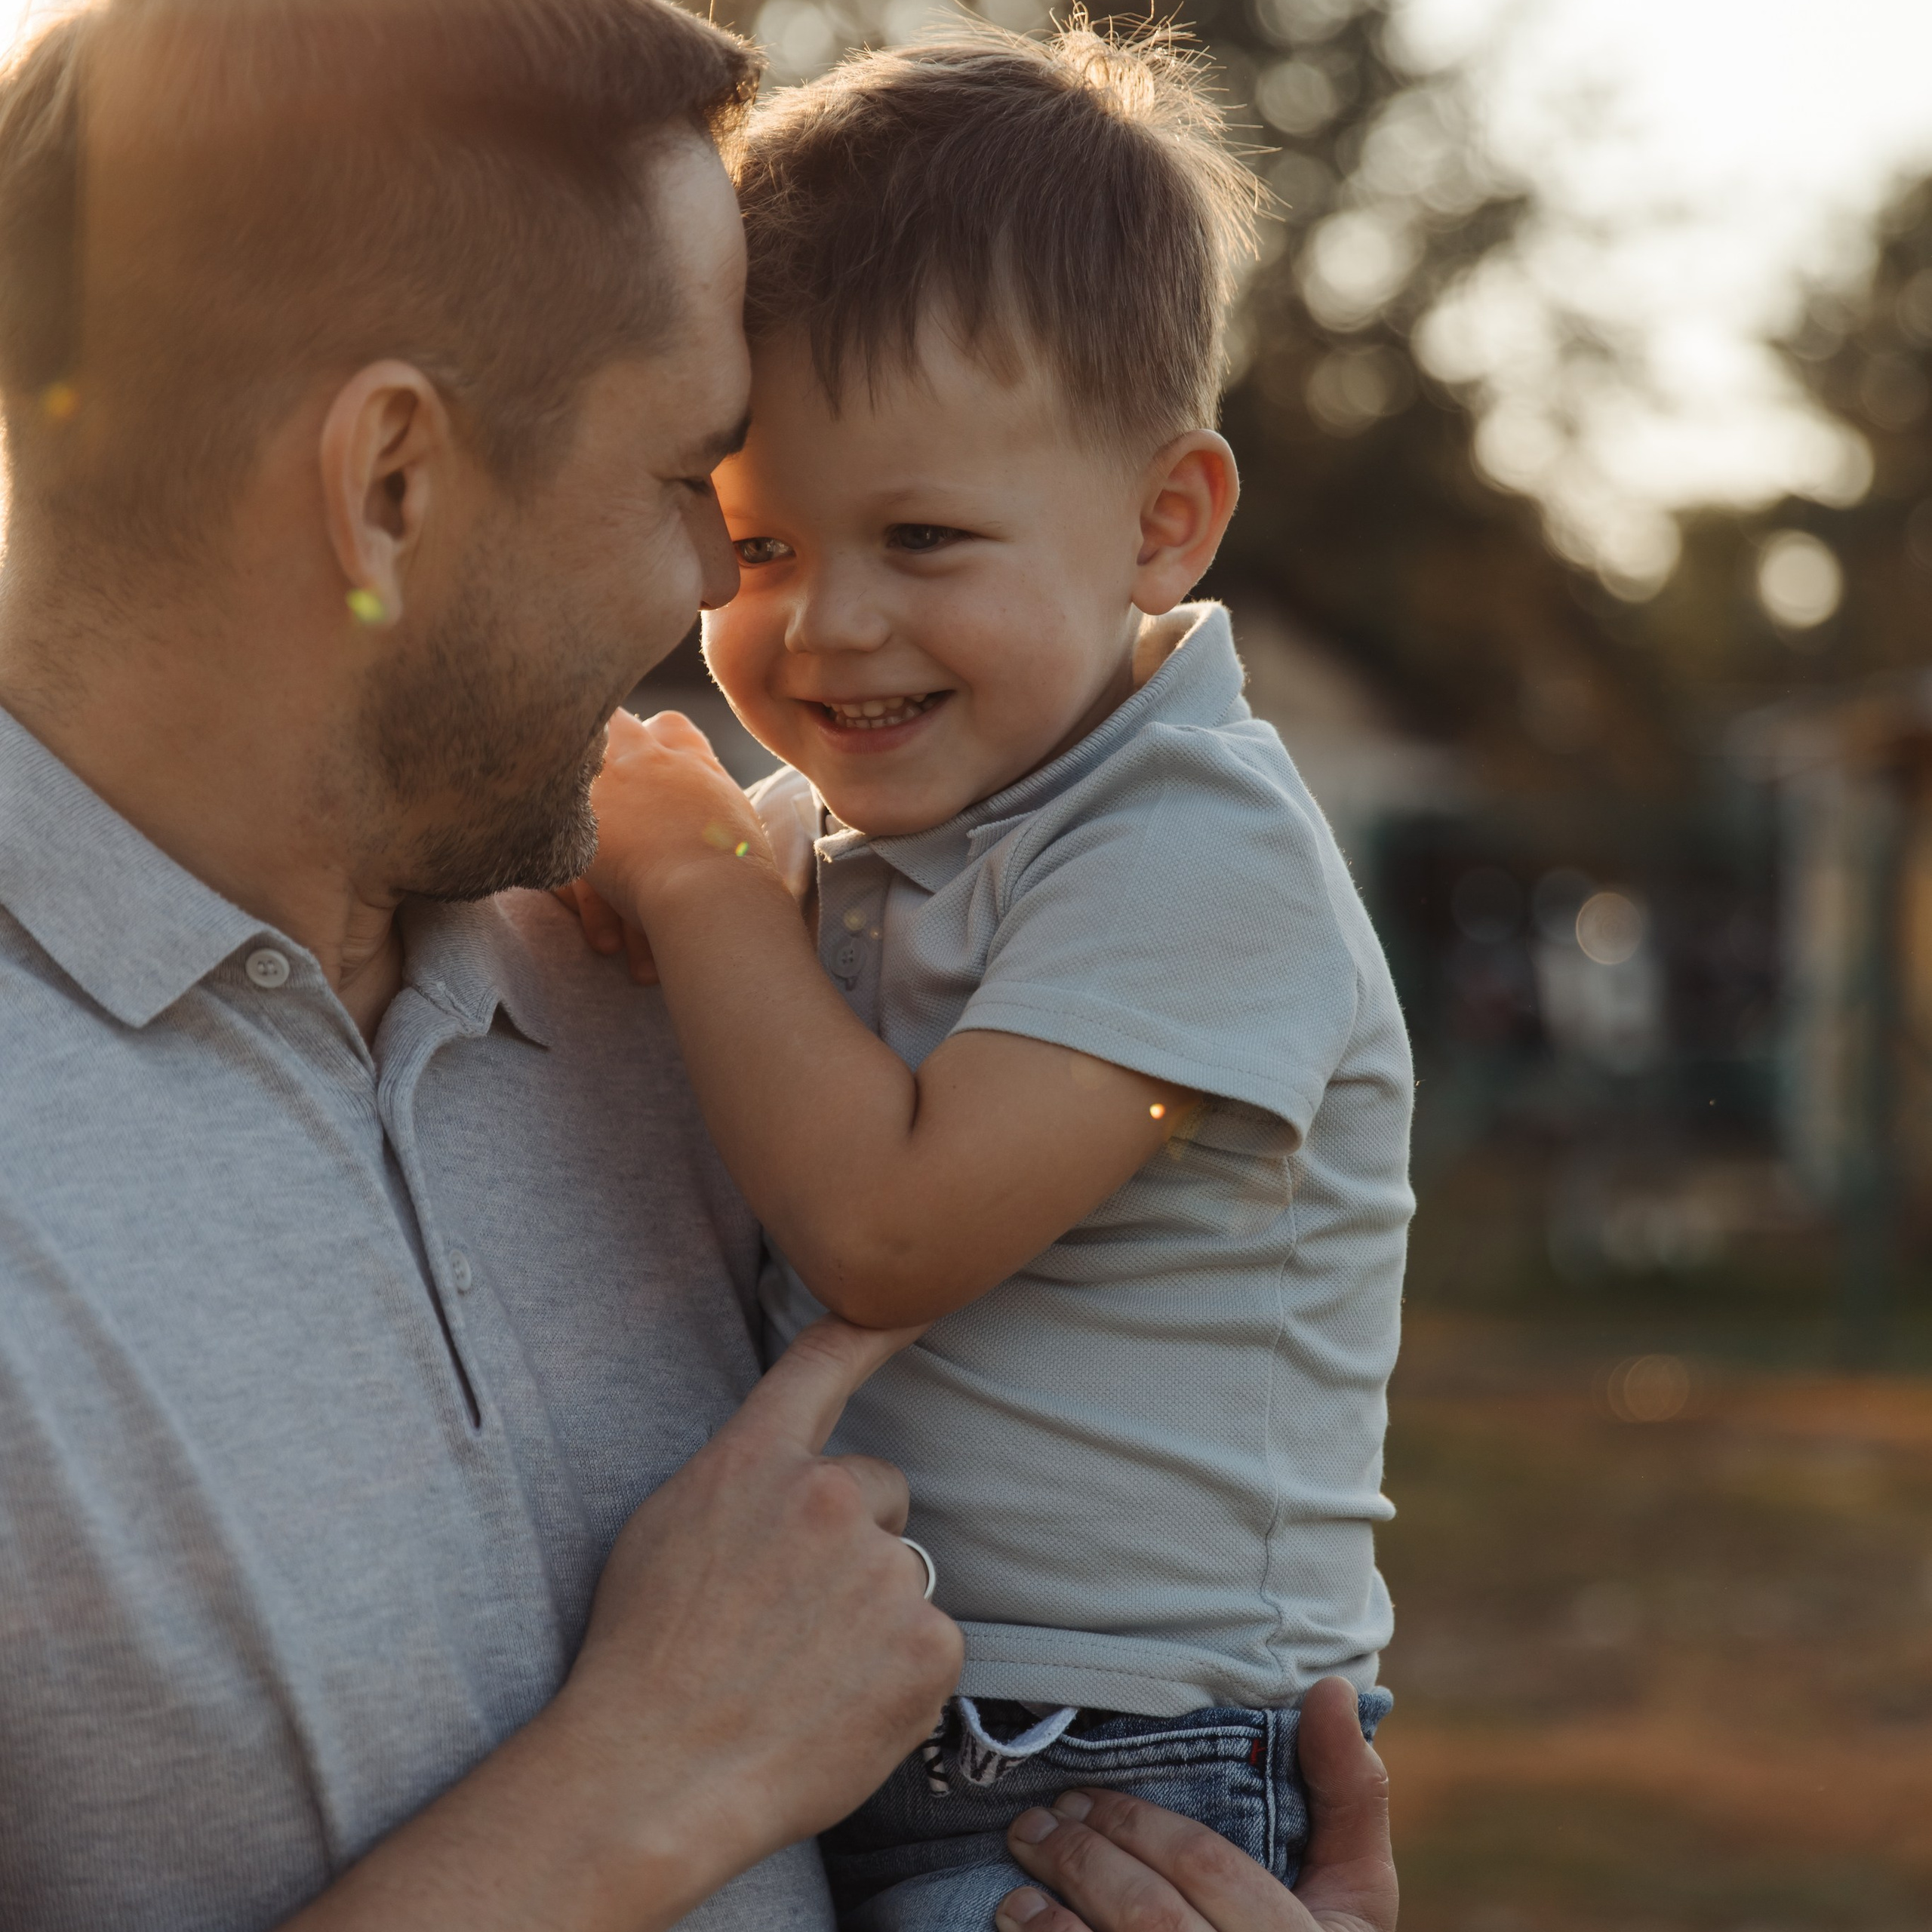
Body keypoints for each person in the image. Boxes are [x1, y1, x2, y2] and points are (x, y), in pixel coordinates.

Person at [0, 0, 1403, 1929]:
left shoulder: (639, 959)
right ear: (387, 484)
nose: (723, 608)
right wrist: (643, 1778)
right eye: (704, 492)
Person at [561, 22, 1414, 1931]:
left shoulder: (1199, 853)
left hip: (1123, 1765)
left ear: (1159, 523)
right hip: (895, 1709)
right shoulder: (873, 829)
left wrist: (697, 886)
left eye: (921, 536)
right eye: (757, 540)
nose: (825, 621)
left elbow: (888, 1227)